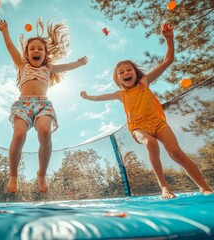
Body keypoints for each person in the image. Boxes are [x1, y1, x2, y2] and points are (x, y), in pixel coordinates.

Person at [80, 24, 212, 199]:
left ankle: (204, 187)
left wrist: (169, 40)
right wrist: (88, 96)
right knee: (150, 143)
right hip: (138, 127)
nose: (126, 73)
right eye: (121, 72)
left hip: (158, 123)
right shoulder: (121, 94)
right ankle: (164, 186)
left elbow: (168, 61)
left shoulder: (144, 83)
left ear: (135, 73)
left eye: (129, 70)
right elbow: (99, 98)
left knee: (176, 153)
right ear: (117, 79)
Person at [0, 18, 88, 193]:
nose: (36, 51)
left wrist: (80, 63)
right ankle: (13, 175)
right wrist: (5, 31)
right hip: (23, 105)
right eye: (32, 49)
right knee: (18, 136)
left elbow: (68, 66)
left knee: (45, 132)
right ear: (27, 53)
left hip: (42, 104)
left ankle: (42, 174)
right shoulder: (22, 65)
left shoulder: (48, 69)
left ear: (45, 54)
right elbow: (10, 47)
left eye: (40, 49)